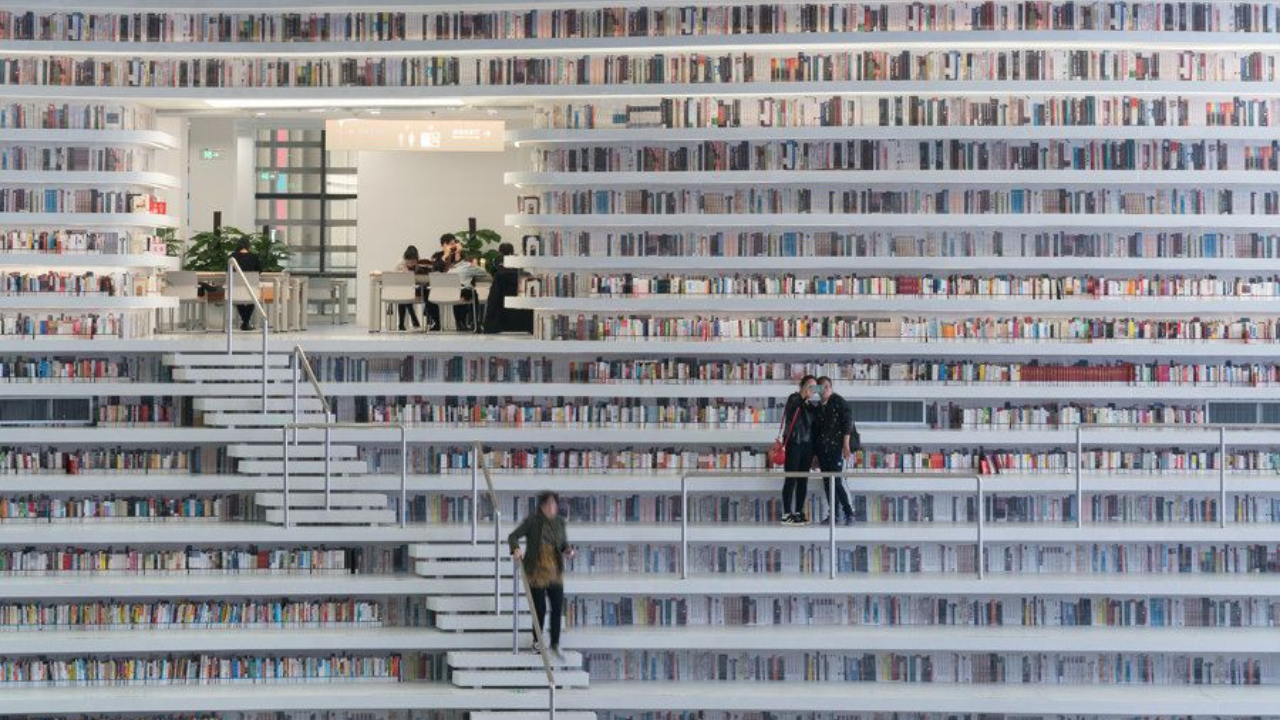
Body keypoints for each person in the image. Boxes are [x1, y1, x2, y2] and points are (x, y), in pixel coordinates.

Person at [508, 491, 575, 656]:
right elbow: (513, 536)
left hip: (554, 571)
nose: (552, 507)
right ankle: (537, 641)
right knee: (539, 608)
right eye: (548, 504)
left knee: (558, 607)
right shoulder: (533, 521)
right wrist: (516, 549)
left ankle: (555, 643)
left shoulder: (560, 522)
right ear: (542, 506)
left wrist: (568, 551)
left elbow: (563, 543)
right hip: (536, 571)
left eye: (554, 504)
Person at [815, 376, 858, 525]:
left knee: (838, 481)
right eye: (820, 387)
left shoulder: (838, 401)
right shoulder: (819, 407)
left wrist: (846, 445)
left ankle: (849, 512)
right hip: (824, 450)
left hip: (837, 448)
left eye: (827, 386)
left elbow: (848, 421)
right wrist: (816, 455)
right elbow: (817, 432)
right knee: (827, 482)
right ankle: (833, 514)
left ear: (831, 387)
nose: (824, 389)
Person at [779, 375, 819, 525]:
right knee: (791, 478)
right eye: (809, 385)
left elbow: (814, 427)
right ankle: (787, 513)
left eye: (815, 387)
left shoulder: (811, 406)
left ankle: (798, 512)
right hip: (794, 444)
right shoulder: (794, 399)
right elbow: (794, 408)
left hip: (807, 446)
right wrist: (804, 393)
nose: (812, 389)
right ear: (802, 386)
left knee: (803, 480)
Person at [484, 242, 534, 334]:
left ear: (499, 252)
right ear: (512, 251)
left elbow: (494, 297)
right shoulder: (521, 267)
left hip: (501, 317)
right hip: (523, 319)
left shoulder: (498, 267)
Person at [229, 238, 262, 331]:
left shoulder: (232, 257)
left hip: (236, 289)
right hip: (251, 288)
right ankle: (246, 322)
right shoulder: (254, 257)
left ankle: (245, 322)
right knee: (253, 299)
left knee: (238, 298)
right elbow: (259, 271)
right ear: (249, 246)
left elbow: (228, 270)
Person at [394, 245, 424, 331]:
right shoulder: (401, 263)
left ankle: (401, 324)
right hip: (399, 289)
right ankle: (413, 317)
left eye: (413, 261)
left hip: (412, 289)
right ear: (405, 258)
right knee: (404, 296)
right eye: (408, 261)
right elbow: (406, 278)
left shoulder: (419, 263)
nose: (410, 263)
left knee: (404, 297)